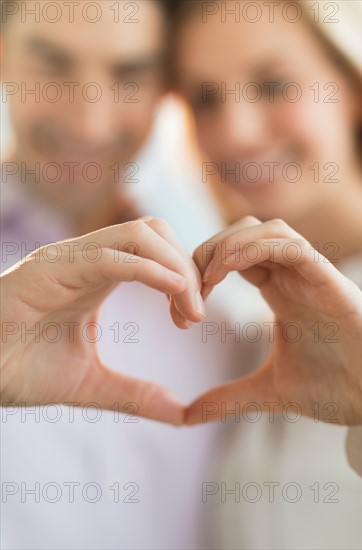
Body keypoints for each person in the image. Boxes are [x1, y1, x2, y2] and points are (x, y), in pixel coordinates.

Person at [0, 2, 237, 548]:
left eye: (129, 74)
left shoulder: (222, 313)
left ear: (166, 87)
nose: (91, 121)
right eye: (53, 64)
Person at [167, 0, 362, 548]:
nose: (235, 132)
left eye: (274, 84)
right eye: (205, 98)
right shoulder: (241, 333)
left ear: (353, 85)